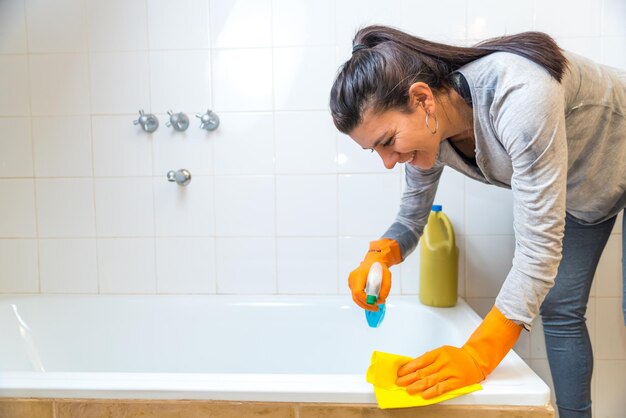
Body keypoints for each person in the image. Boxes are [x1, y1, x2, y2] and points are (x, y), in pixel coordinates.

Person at [329, 25, 626, 418]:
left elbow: (537, 254)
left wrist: (476, 355)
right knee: (558, 308)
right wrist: (380, 255)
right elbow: (411, 218)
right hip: (581, 190)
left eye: (387, 141)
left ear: (421, 100)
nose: (388, 161)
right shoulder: (428, 138)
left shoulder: (519, 94)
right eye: (375, 151)